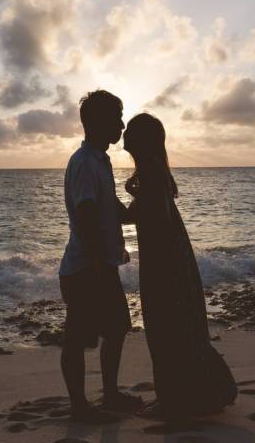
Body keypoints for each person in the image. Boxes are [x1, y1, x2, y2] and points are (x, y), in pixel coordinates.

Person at [123, 113, 237, 422]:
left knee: (165, 329)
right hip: (171, 257)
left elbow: (153, 216)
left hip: (163, 262)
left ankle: (174, 399)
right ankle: (182, 394)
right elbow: (140, 214)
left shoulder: (150, 172)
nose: (124, 133)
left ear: (141, 140)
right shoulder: (153, 171)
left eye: (130, 130)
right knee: (173, 327)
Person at [58, 90, 142, 423]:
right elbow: (86, 215)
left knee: (117, 327)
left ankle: (108, 395)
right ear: (97, 122)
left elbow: (114, 211)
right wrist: (98, 267)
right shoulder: (83, 163)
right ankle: (79, 405)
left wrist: (147, 208)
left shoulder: (100, 161)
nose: (121, 125)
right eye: (116, 118)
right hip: (84, 268)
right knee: (78, 338)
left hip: (97, 266)